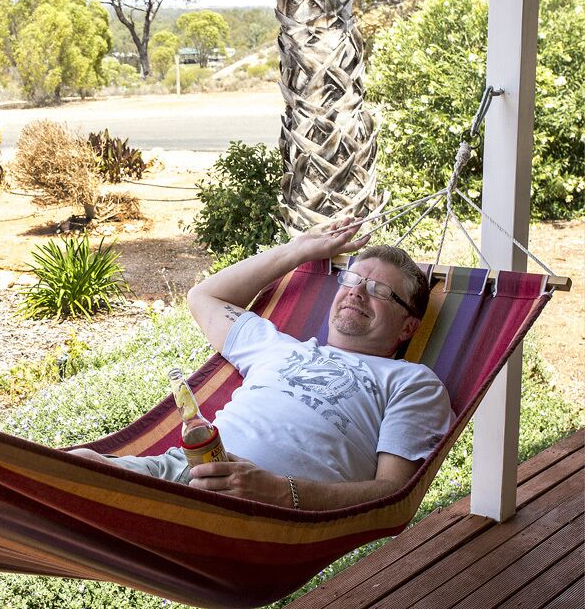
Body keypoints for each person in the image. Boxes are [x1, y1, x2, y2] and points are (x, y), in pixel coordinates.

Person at [72, 217, 453, 510]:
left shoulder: (412, 382)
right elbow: (204, 295)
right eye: (351, 279)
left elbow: (394, 494)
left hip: (266, 516)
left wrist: (281, 492)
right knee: (72, 468)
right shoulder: (278, 347)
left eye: (378, 290)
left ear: (408, 327)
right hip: (185, 474)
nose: (355, 292)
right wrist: (297, 250)